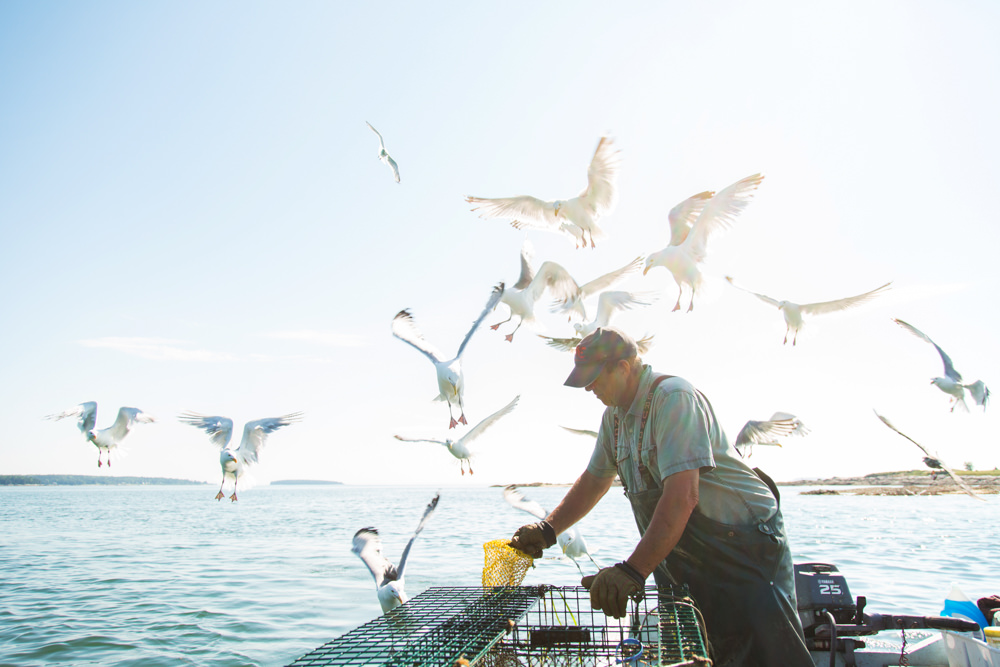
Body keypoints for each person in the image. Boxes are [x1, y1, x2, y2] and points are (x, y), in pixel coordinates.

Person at [509, 327, 813, 666]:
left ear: (623, 368)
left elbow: (683, 496)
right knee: (693, 648)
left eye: (594, 378)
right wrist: (548, 530)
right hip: (683, 553)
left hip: (744, 547)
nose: (589, 388)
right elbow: (595, 479)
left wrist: (632, 571)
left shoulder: (673, 397)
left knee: (764, 652)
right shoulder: (614, 418)